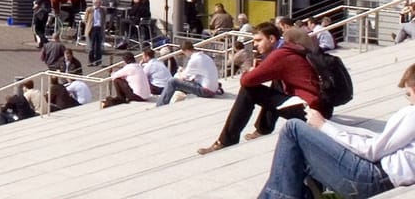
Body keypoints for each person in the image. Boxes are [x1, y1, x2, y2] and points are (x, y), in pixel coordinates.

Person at [256, 62, 415, 199]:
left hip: (372, 178)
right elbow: (379, 142)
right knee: (295, 157)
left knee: (293, 129)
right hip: (380, 178)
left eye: (408, 94)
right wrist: (326, 126)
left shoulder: (412, 113)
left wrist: (323, 126)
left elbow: (372, 150)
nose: (408, 101)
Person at [199, 20, 324, 155]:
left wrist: (249, 71)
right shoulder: (287, 49)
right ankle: (263, 128)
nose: (255, 44)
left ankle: (226, 140)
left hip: (308, 111)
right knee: (276, 84)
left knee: (249, 90)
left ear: (271, 39)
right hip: (314, 106)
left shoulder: (280, 55)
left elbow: (247, 81)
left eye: (259, 40)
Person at [156, 40, 222, 106]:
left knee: (172, 81)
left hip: (206, 91)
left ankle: (160, 104)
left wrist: (179, 72)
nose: (185, 55)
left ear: (186, 51)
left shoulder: (194, 60)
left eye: (184, 53)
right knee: (180, 84)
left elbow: (183, 77)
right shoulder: (205, 56)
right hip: (213, 88)